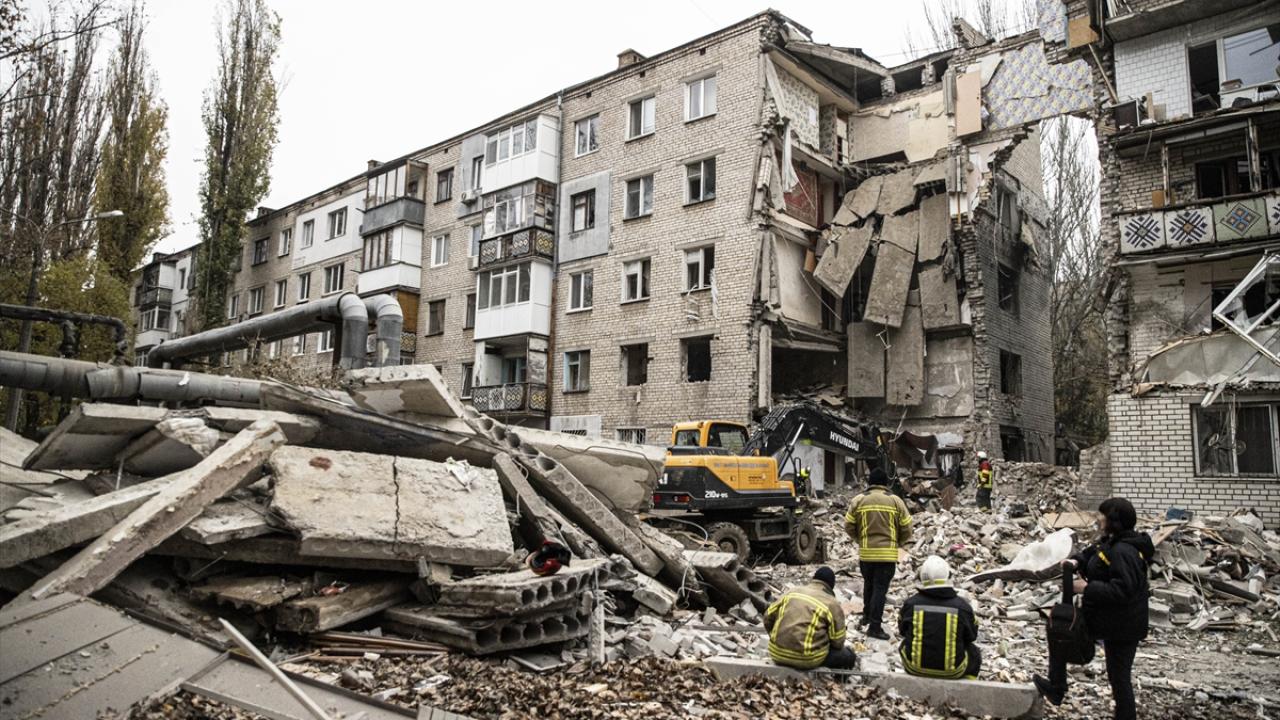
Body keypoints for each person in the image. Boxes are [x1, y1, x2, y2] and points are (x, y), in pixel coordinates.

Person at [1034, 498, 1153, 720]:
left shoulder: (1124, 552)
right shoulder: (1112, 542)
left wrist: (1087, 588)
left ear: (1113, 521)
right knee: (1060, 627)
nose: (1098, 519)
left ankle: (1124, 716)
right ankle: (1056, 686)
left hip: (1123, 624)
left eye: (1102, 516)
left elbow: (1122, 590)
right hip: (1109, 617)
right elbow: (1093, 553)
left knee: (1119, 677)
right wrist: (1076, 562)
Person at [844, 467, 912, 640]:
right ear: (886, 483)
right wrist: (899, 542)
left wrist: (859, 539)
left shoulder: (859, 500)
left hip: (866, 554)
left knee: (869, 585)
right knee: (880, 590)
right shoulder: (895, 501)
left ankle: (867, 616)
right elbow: (907, 527)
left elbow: (848, 525)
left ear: (869, 483)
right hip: (887, 555)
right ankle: (875, 627)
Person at [898, 555, 982, 680]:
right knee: (974, 652)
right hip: (953, 671)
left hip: (913, 668)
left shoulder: (911, 604)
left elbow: (902, 631)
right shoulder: (962, 607)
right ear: (948, 576)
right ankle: (968, 684)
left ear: (922, 577)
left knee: (904, 643)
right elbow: (971, 636)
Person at [764, 567, 856, 669]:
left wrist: (776, 637)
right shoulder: (832, 603)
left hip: (776, 654)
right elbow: (838, 642)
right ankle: (835, 678)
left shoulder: (792, 592)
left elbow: (767, 617)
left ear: (813, 579)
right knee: (849, 655)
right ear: (831, 586)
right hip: (806, 659)